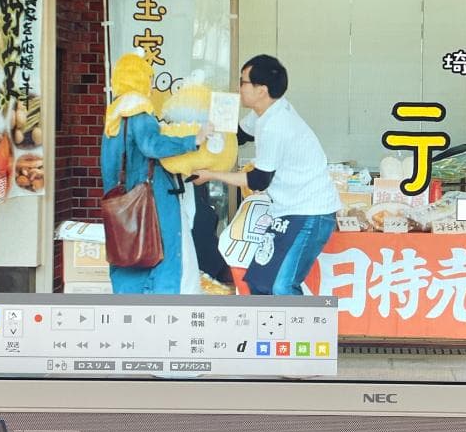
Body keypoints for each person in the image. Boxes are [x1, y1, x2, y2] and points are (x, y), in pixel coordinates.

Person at [192, 54, 340, 295]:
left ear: (261, 90)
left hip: (310, 213)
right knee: (260, 283)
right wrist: (208, 131)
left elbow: (258, 180)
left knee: (282, 286)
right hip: (288, 211)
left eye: (243, 82)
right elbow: (239, 135)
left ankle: (300, 322)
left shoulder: (276, 124)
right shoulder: (266, 112)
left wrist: (211, 174)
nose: (238, 88)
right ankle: (270, 323)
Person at [101, 52, 211, 294]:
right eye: (149, 78)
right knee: (163, 253)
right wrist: (193, 139)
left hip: (120, 202)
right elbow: (151, 145)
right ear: (139, 78)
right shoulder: (139, 110)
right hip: (151, 198)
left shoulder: (114, 114)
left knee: (126, 254)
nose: (151, 85)